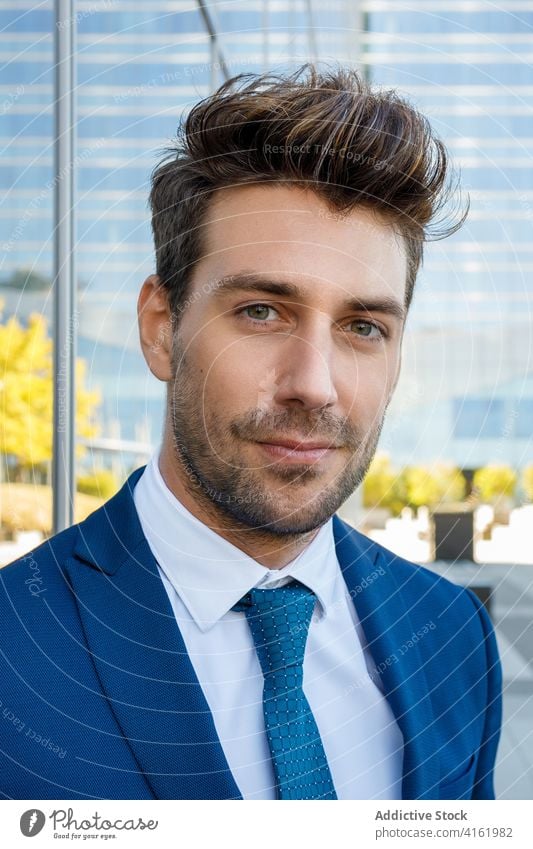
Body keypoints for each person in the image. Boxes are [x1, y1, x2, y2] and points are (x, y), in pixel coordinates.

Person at [0, 63, 501, 800]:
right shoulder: (18, 644)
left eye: (363, 326)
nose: (314, 383)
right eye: (261, 311)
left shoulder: (452, 631)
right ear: (161, 328)